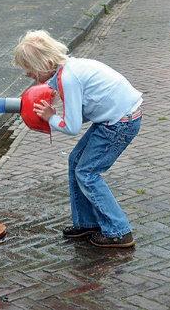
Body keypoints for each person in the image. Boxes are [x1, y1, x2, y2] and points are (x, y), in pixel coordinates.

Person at [13, 30, 142, 248]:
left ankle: (120, 231)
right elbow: (82, 112)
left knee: (87, 172)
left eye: (29, 68)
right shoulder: (70, 67)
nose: (27, 74)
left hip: (120, 123)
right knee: (76, 161)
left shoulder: (68, 79)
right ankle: (87, 222)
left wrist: (51, 117)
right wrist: (57, 115)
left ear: (43, 63)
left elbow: (71, 127)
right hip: (116, 118)